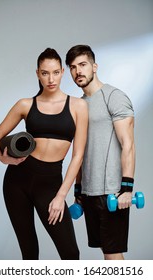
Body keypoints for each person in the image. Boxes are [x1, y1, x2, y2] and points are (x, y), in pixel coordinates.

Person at [0, 48, 88, 260]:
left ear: (62, 71)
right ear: (37, 74)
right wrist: (4, 159)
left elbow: (78, 155)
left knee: (70, 253)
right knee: (29, 252)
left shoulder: (78, 106)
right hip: (17, 182)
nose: (50, 79)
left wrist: (61, 196)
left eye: (55, 72)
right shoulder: (25, 104)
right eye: (44, 73)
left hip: (50, 184)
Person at [65, 45, 135, 260]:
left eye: (83, 65)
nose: (78, 71)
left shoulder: (113, 96)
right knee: (106, 254)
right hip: (88, 192)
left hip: (112, 191)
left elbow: (128, 144)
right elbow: (80, 150)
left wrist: (126, 188)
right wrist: (78, 191)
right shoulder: (79, 104)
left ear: (94, 66)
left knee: (113, 255)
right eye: (73, 67)